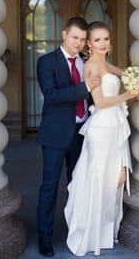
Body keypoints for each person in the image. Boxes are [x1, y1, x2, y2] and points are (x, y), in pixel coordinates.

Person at [64, 21, 139, 256]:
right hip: (102, 128)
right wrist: (128, 94)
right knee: (100, 179)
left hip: (114, 126)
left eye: (106, 39)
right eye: (97, 40)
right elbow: (101, 102)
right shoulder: (91, 67)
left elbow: (119, 72)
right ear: (89, 43)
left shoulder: (104, 63)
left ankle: (105, 233)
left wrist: (135, 76)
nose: (103, 43)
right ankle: (90, 235)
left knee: (114, 180)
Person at [36, 16, 100, 257]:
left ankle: (78, 232)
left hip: (82, 133)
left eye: (83, 39)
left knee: (80, 186)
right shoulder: (46, 62)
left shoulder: (88, 61)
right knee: (50, 187)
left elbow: (95, 96)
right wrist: (85, 88)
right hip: (55, 135)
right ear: (64, 34)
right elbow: (51, 95)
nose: (79, 43)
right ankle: (44, 237)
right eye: (75, 37)